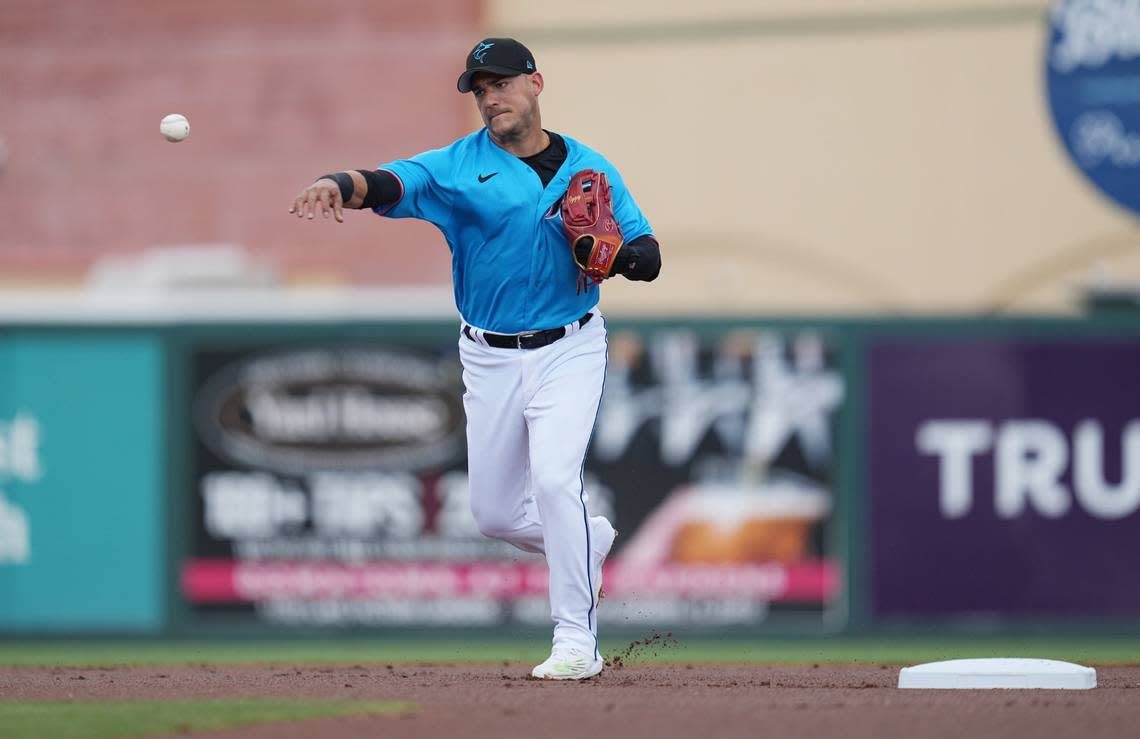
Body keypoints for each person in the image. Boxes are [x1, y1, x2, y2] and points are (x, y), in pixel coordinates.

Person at [289, 37, 661, 680]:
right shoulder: (457, 168)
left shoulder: (589, 167)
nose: (491, 96)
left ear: (535, 84)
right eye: (479, 88)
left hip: (569, 347)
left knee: (552, 480)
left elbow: (648, 258)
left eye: (501, 82)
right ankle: (586, 540)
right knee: (493, 514)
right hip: (488, 355)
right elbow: (386, 181)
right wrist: (335, 182)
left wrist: (612, 257)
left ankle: (576, 642)